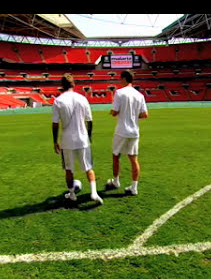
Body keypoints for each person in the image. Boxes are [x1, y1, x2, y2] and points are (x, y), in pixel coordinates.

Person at [52, 73, 103, 204]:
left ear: (62, 86)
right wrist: (89, 136)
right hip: (83, 138)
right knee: (88, 167)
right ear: (73, 84)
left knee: (68, 169)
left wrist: (54, 141)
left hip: (67, 140)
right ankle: (94, 193)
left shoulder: (58, 101)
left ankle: (72, 194)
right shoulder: (82, 98)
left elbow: (55, 123)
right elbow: (90, 120)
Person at [106, 70, 148, 195]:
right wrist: (133, 116)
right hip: (134, 131)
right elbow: (145, 114)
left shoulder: (119, 93)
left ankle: (116, 181)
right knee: (134, 159)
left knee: (116, 156)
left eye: (120, 78)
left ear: (124, 79)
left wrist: (115, 112)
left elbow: (114, 112)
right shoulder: (139, 95)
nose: (119, 81)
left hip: (121, 130)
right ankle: (134, 188)